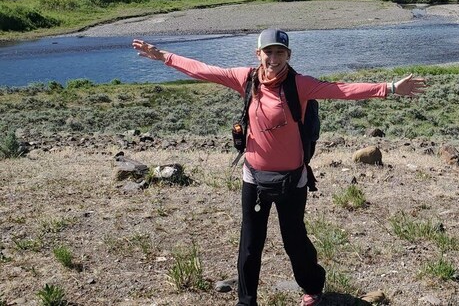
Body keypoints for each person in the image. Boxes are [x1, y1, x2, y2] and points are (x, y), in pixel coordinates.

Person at [132, 29, 426, 306]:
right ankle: (246, 302)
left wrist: (389, 88)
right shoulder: (245, 79)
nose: (273, 59)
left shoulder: (299, 85)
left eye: (280, 53)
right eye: (268, 52)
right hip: (254, 180)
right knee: (249, 246)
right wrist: (164, 57)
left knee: (295, 242)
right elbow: (203, 69)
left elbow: (342, 90)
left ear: (289, 55)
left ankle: (312, 288)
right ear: (258, 53)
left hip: (292, 181)